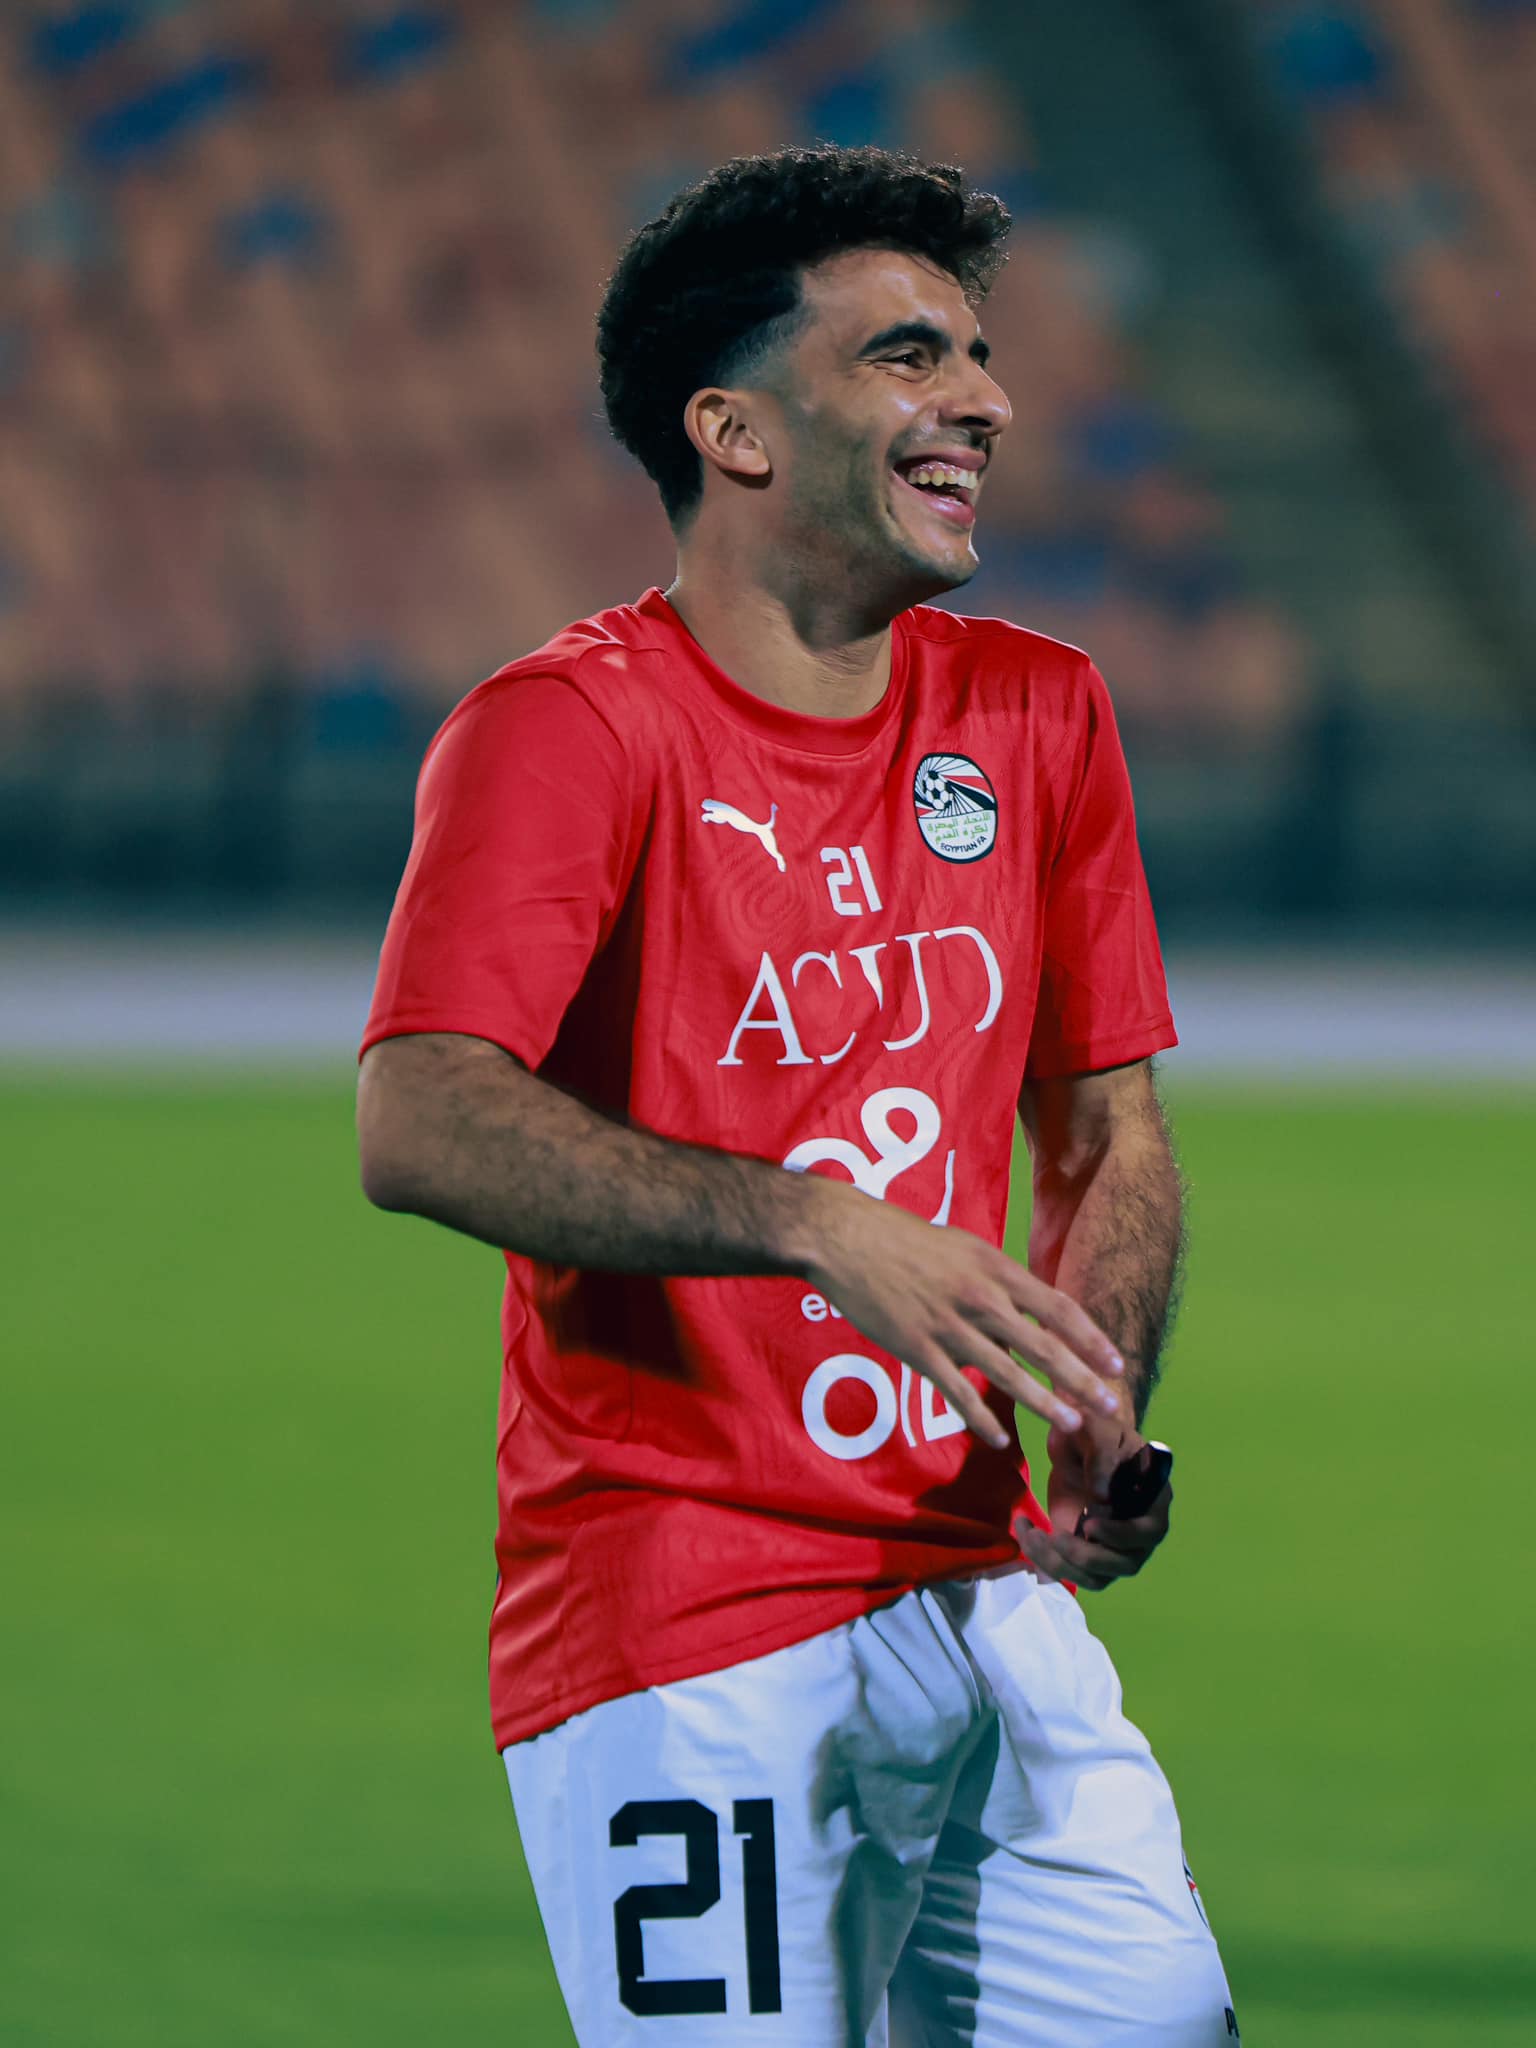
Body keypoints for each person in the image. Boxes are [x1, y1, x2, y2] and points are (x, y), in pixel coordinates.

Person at [358, 145, 1238, 2046]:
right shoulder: (569, 729)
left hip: (986, 1586)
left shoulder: (1038, 710)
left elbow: (1108, 1131)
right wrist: (813, 1223)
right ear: (735, 431)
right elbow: (419, 1115)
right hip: (686, 1624)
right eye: (909, 355)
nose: (985, 401)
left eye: (980, 354)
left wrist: (1092, 1394)